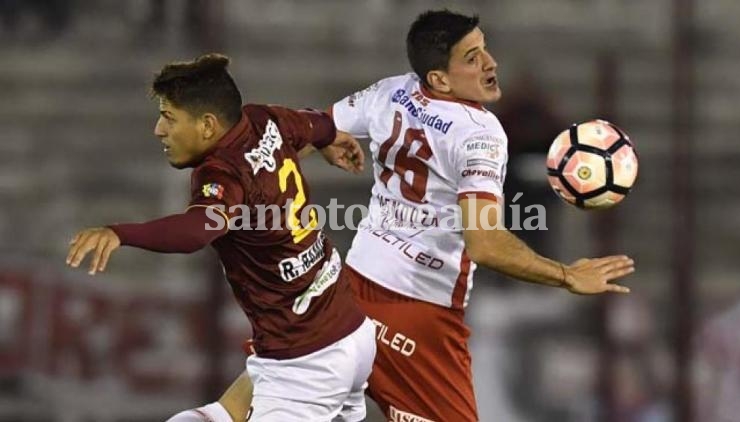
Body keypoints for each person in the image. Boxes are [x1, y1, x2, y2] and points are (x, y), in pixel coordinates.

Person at [212, 9, 636, 422]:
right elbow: (486, 245)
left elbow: (304, 131)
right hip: (416, 313)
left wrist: (294, 157)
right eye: (472, 58)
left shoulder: (389, 92)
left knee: (241, 406)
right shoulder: (479, 133)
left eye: (484, 50)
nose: (490, 64)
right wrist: (566, 275)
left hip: (344, 289)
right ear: (439, 78)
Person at [66, 53, 376, 422]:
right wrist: (332, 138)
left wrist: (119, 233)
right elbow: (315, 124)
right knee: (221, 414)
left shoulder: (222, 172)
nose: (158, 130)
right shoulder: (265, 119)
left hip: (307, 362)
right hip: (349, 332)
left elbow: (196, 230)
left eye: (168, 117)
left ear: (208, 125)